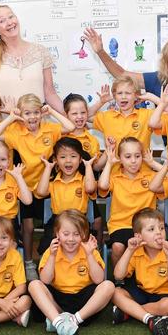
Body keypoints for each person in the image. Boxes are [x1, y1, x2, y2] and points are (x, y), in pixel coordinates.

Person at [0, 93, 75, 280]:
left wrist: (51, 110)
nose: (32, 117)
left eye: (36, 112)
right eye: (27, 113)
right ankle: (28, 262)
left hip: (48, 184)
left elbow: (70, 126)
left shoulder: (50, 129)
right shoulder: (16, 131)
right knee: (27, 226)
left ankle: (52, 259)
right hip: (25, 186)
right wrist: (12, 117)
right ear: (21, 115)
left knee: (51, 224)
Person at [28, 210, 114, 335]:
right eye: (66, 234)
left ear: (84, 234)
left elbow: (99, 280)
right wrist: (52, 256)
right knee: (34, 285)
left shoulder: (89, 251)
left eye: (76, 234)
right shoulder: (51, 251)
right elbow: (45, 280)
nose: (71, 239)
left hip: (83, 305)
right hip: (56, 302)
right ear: (57, 234)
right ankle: (60, 323)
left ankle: (72, 320)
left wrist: (90, 255)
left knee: (109, 285)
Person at [0, 5, 63, 113]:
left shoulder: (40, 51)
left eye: (11, 17)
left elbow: (50, 93)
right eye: (2, 21)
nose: (10, 23)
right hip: (5, 125)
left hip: (36, 124)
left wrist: (67, 115)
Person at [111, 208, 168, 335]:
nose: (159, 233)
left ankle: (129, 312)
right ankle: (150, 318)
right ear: (139, 236)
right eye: (151, 229)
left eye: (161, 228)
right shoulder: (136, 251)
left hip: (166, 294)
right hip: (142, 292)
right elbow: (118, 276)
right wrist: (129, 250)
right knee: (115, 292)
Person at [98, 137, 163, 266]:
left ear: (142, 157)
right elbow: (102, 185)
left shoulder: (150, 176)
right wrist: (109, 163)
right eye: (127, 157)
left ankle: (143, 277)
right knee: (117, 247)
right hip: (121, 225)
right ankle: (120, 279)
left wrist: (152, 163)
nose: (133, 161)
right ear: (120, 159)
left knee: (151, 246)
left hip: (146, 226)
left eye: (137, 156)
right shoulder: (115, 177)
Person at [35, 137, 98, 254]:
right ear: (56, 160)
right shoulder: (54, 181)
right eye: (63, 157)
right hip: (57, 222)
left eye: (73, 156)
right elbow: (41, 192)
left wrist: (89, 166)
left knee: (85, 249)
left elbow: (90, 188)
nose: (68, 161)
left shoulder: (84, 180)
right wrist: (48, 167)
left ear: (80, 159)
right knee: (48, 249)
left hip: (79, 221)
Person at [62, 92, 109, 241]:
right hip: (65, 191)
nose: (79, 117)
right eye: (74, 113)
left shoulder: (92, 139)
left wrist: (109, 152)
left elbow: (96, 167)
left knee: (97, 222)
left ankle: (97, 254)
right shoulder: (61, 137)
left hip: (87, 190)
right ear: (66, 115)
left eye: (83, 112)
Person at [92, 75, 161, 152]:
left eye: (128, 93)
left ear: (136, 96)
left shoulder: (146, 115)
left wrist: (150, 97)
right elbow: (86, 116)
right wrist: (101, 102)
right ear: (114, 96)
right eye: (119, 93)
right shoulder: (107, 116)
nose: (123, 96)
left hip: (142, 164)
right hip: (115, 164)